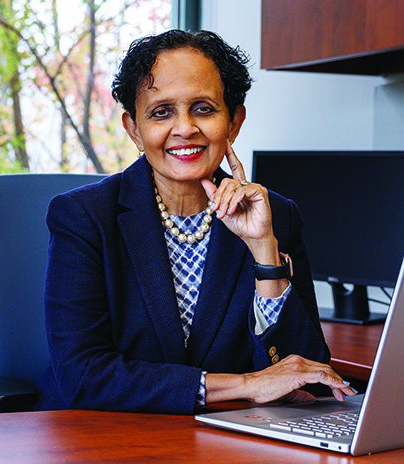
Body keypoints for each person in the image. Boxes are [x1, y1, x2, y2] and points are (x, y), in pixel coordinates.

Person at [36, 29, 354, 414]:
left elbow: (305, 374)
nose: (185, 128)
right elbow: (84, 376)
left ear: (234, 122)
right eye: (161, 112)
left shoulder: (277, 216)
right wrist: (245, 385)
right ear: (134, 129)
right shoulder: (84, 217)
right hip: (105, 438)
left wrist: (263, 251)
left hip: (227, 443)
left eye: (204, 108)